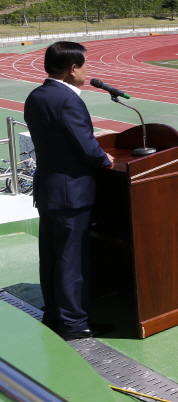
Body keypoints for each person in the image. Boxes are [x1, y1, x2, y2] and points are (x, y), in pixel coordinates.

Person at [24, 41, 115, 339]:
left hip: (48, 189)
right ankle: (74, 323)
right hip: (71, 193)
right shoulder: (68, 100)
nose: (87, 72)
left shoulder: (36, 96)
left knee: (51, 257)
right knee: (71, 260)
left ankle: (53, 315)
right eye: (85, 66)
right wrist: (104, 157)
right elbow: (87, 147)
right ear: (72, 68)